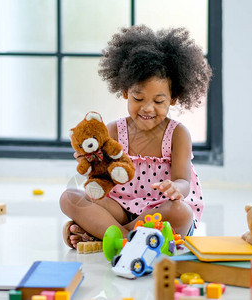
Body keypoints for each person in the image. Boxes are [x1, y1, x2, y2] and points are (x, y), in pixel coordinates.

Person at [60, 25, 212, 249]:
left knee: (181, 212)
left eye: (159, 102)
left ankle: (105, 234)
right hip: (120, 209)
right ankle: (127, 237)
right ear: (124, 92)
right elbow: (100, 178)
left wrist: (175, 188)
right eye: (138, 98)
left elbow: (183, 182)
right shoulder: (113, 130)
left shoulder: (178, 134)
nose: (148, 108)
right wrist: (90, 162)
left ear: (174, 98)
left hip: (160, 210)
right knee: (69, 198)